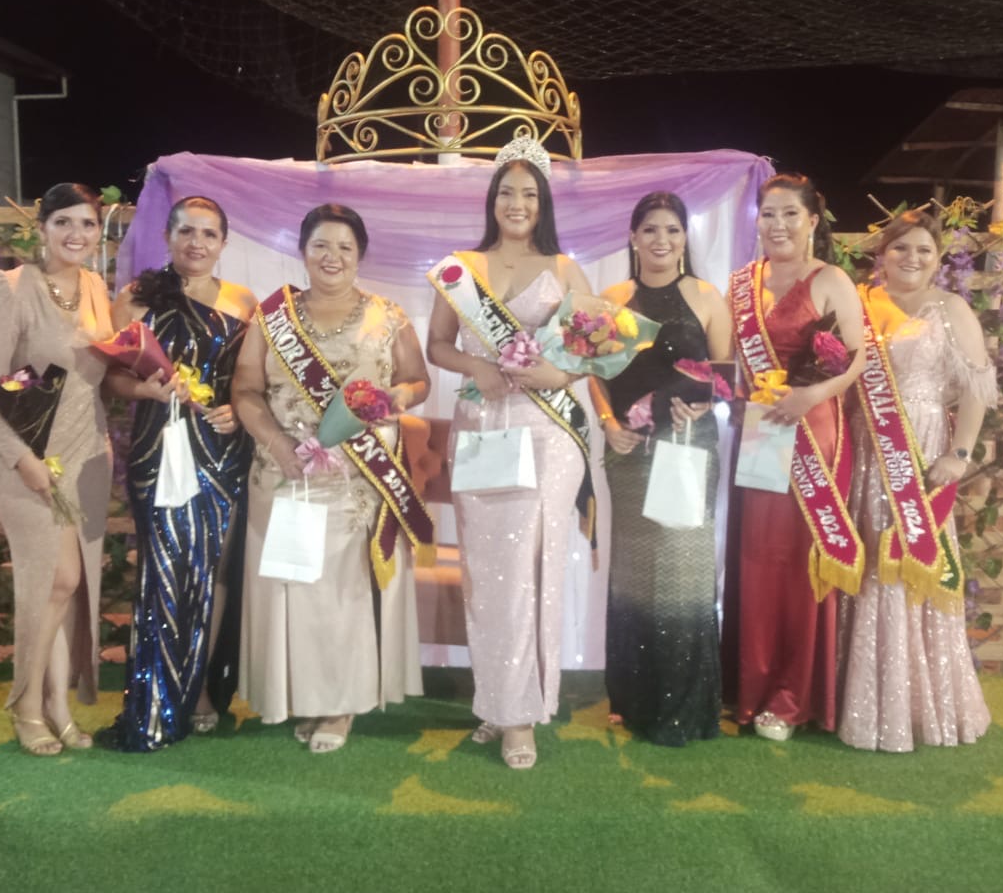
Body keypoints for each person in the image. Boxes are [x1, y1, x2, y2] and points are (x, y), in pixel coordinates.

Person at [235, 204, 431, 753]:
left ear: (360, 254)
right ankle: (306, 697)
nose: (332, 256)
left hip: (358, 479)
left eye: (345, 247)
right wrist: (277, 444)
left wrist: (401, 396)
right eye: (321, 245)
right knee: (293, 589)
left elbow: (418, 380)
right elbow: (245, 390)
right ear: (302, 250)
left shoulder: (387, 315)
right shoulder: (271, 318)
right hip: (285, 472)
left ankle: (341, 704)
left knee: (343, 596)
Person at [426, 135, 593, 769]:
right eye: (506, 192)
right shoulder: (460, 266)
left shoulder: (565, 268)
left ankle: (522, 714)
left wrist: (557, 375)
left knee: (531, 569)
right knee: (488, 574)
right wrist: (478, 366)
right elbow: (438, 345)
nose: (516, 203)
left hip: (546, 433)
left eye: (528, 193)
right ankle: (495, 703)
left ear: (543, 203)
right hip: (482, 424)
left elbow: (589, 351)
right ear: (491, 200)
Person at [102, 196, 257, 751]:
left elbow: (252, 383)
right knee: (164, 571)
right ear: (168, 237)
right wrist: (145, 390)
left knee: (214, 572)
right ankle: (158, 696)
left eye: (209, 234)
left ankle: (202, 691)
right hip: (158, 449)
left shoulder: (244, 302)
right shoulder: (136, 298)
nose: (197, 243)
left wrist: (238, 410)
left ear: (224, 243)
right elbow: (112, 379)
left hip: (221, 452)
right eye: (186, 231)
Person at [838, 210, 994, 751]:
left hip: (923, 447)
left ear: (938, 259)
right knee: (867, 554)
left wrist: (959, 455)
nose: (912, 258)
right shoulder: (859, 303)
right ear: (882, 254)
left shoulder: (951, 309)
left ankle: (916, 703)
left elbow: (977, 387)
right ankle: (858, 698)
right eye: (901, 247)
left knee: (910, 557)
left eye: (925, 250)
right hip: (864, 444)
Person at [722, 174, 866, 741]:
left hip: (813, 429)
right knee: (758, 556)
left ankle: (792, 698)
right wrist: (732, 398)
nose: (777, 225)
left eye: (789, 214)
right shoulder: (743, 283)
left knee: (801, 559)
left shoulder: (830, 279)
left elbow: (856, 359)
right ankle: (751, 689)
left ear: (812, 221)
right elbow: (732, 358)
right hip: (760, 430)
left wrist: (812, 395)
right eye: (768, 214)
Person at [0, 183, 114, 755]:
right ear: (42, 229)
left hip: (87, 454)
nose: (76, 234)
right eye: (64, 222)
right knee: (52, 580)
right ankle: (26, 706)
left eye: (87, 224)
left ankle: (57, 704)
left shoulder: (97, 287)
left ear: (99, 232)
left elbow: (100, 372)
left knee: (69, 587)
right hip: (26, 455)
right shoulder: (9, 288)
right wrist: (23, 459)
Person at [591, 192, 733, 746]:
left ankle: (683, 706)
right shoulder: (612, 299)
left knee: (683, 573)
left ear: (684, 239)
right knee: (634, 571)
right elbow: (595, 372)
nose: (661, 240)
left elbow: (726, 375)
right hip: (627, 449)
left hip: (688, 446)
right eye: (650, 229)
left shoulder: (707, 297)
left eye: (672, 230)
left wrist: (704, 403)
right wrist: (607, 423)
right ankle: (633, 700)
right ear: (633, 237)